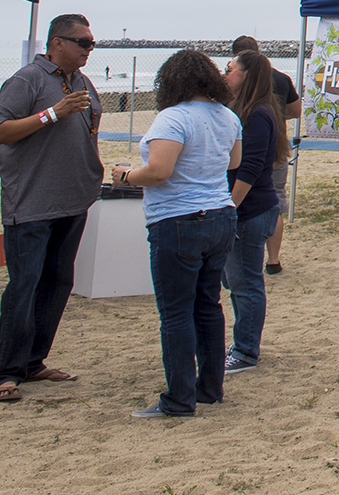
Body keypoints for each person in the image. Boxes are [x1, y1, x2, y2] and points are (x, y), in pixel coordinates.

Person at [111, 50, 242, 418]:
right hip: (220, 216)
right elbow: (233, 162)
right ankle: (210, 388)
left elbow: (158, 172)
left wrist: (126, 175)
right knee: (208, 304)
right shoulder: (227, 117)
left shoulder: (173, 118)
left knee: (175, 313)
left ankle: (179, 398)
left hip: (179, 220)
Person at [0, 13, 104, 404]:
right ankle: (8, 372)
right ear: (57, 43)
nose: (89, 49)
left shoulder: (82, 83)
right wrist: (52, 113)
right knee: (24, 285)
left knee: (58, 283)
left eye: (92, 43)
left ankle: (34, 362)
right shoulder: (27, 80)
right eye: (82, 43)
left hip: (73, 200)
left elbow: (91, 131)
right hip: (32, 203)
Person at [220, 51, 286, 376]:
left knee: (246, 282)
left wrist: (229, 207)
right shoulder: (242, 110)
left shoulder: (257, 114)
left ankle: (246, 351)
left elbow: (251, 166)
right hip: (247, 208)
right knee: (237, 281)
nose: (224, 74)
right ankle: (241, 344)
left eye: (229, 70)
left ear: (246, 75)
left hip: (250, 210)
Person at [230, 37, 299, 277]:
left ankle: (264, 258)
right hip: (276, 145)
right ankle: (273, 258)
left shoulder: (252, 110)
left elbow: (249, 167)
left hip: (255, 151)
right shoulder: (280, 78)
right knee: (274, 199)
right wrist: (278, 117)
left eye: (230, 69)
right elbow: (296, 110)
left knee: (263, 201)